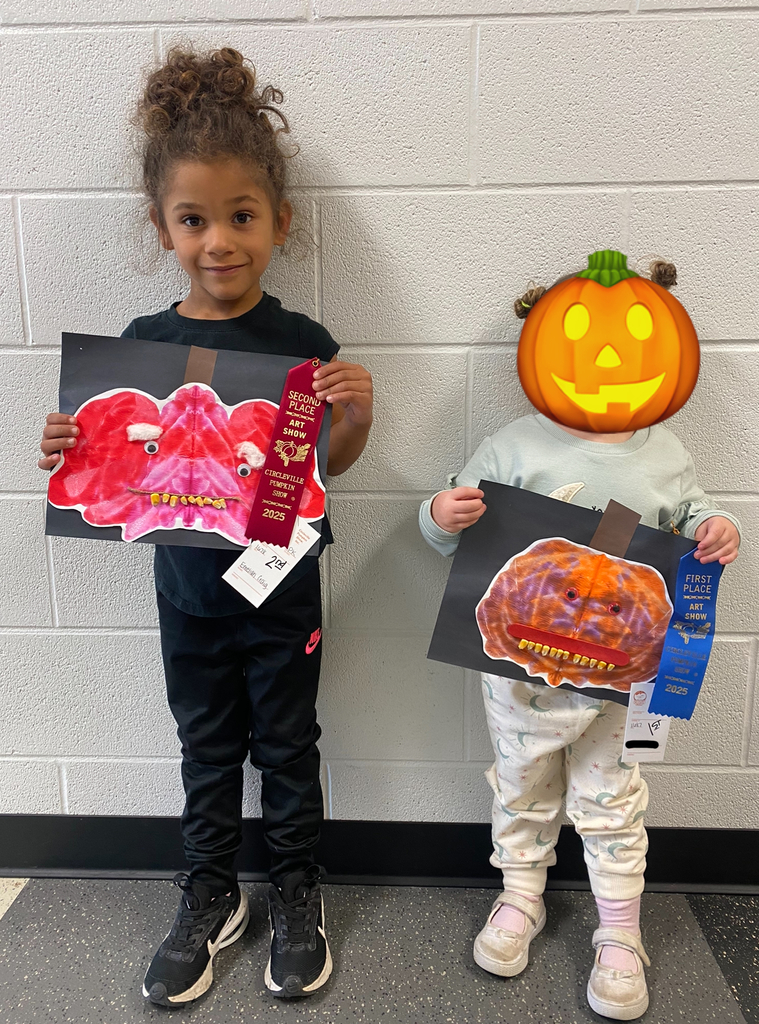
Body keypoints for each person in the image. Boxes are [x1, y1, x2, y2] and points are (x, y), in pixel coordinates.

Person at [38, 46, 373, 1006]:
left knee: (288, 741)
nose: (218, 241)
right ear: (162, 227)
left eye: (241, 217)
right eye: (194, 220)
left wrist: (352, 419)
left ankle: (297, 884)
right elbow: (119, 470)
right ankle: (213, 891)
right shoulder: (141, 348)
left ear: (279, 223)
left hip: (282, 586)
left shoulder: (303, 346)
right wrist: (76, 439)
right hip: (186, 594)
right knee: (205, 743)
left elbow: (325, 473)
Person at [419, 260, 740, 1021]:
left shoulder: (663, 452)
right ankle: (520, 898)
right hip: (522, 674)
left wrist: (716, 529)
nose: (605, 361)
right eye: (577, 338)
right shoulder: (511, 446)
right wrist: (441, 512)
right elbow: (446, 543)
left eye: (633, 336)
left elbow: (692, 513)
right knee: (522, 788)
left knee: (612, 800)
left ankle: (621, 933)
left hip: (621, 684)